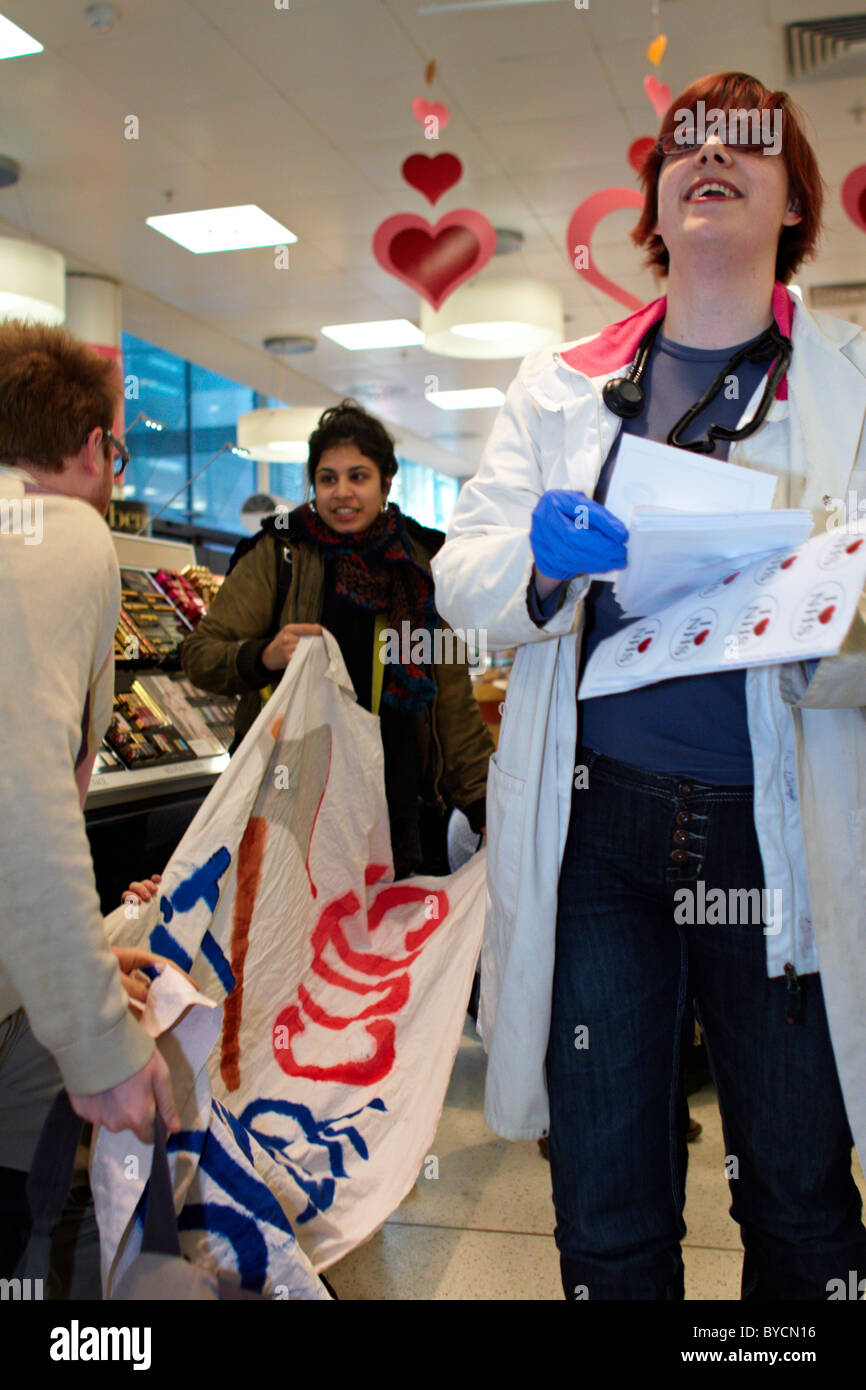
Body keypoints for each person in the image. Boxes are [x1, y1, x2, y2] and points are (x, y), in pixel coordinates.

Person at [432, 71, 866, 1300]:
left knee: (798, 1192)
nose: (710, 156)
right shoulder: (557, 387)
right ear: (656, 203)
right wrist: (535, 564)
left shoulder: (848, 380)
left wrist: (826, 602)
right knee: (607, 1196)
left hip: (773, 836)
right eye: (684, 145)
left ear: (792, 199)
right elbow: (459, 577)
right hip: (599, 833)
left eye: (746, 143)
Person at [0, 320, 182, 1284]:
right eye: (117, 451)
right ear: (89, 447)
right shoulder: (59, 528)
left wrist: (72, 959)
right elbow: (17, 793)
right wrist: (96, 1038)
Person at [182, 400, 492, 879]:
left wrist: (487, 808)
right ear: (312, 485)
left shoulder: (423, 565)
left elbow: (451, 703)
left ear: (386, 483)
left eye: (358, 476)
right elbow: (200, 656)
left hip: (397, 807)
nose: (342, 493)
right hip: (288, 806)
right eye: (328, 479)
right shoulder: (279, 553)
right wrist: (264, 655)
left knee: (388, 949)